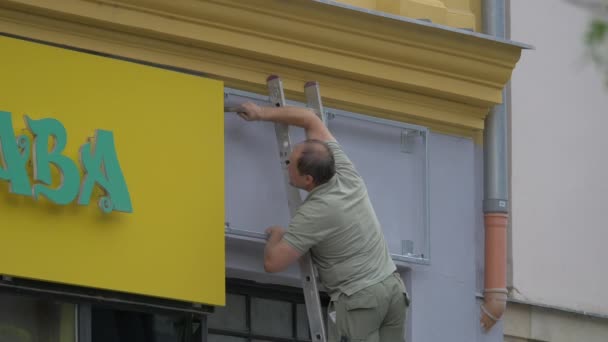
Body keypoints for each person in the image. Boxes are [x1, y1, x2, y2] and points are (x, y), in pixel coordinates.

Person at [237, 102, 409, 342]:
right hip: (392, 289)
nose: (286, 166)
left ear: (308, 179)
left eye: (290, 164)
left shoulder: (315, 212)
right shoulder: (343, 170)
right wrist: (261, 113)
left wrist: (277, 235)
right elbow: (310, 118)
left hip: (361, 302)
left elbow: (272, 262)